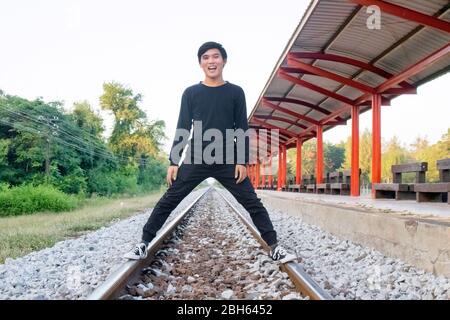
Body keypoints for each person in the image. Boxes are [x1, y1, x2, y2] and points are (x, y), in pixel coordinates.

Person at [124, 41, 296, 263]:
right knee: (170, 199)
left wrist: (242, 161)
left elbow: (241, 128)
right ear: (200, 63)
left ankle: (274, 247)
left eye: (215, 56)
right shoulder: (191, 93)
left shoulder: (235, 92)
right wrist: (174, 160)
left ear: (224, 61)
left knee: (252, 201)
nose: (211, 61)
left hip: (228, 159)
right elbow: (183, 126)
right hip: (197, 157)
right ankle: (143, 244)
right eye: (205, 57)